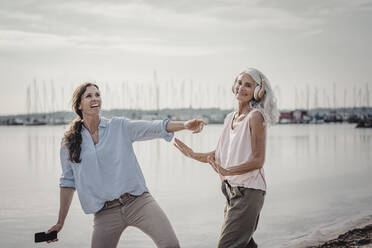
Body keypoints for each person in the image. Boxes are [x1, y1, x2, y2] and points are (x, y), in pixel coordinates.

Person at [46, 82, 206, 248]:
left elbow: (154, 127)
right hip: (105, 212)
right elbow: (67, 182)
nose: (95, 99)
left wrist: (185, 125)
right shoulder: (69, 142)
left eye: (97, 95)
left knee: (170, 245)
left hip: (138, 201)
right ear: (79, 104)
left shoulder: (118, 126)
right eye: (89, 96)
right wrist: (60, 222)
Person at [174, 68, 279, 248]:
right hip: (231, 191)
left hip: (248, 191)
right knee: (244, 244)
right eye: (239, 83)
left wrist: (228, 171)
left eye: (248, 85)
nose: (241, 88)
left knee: (228, 244)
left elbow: (258, 160)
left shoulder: (256, 117)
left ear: (257, 91)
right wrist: (192, 154)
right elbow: (218, 156)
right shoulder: (230, 118)